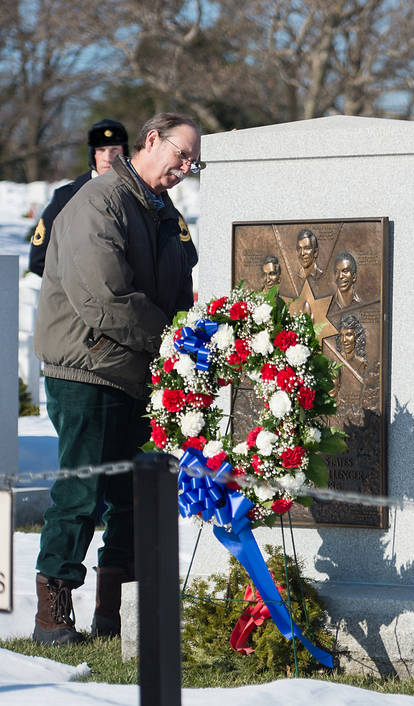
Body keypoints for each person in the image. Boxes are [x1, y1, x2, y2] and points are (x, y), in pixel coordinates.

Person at [32, 112, 202, 645]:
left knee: (135, 498)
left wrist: (190, 337)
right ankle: (52, 616)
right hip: (89, 368)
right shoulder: (99, 200)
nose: (187, 167)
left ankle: (115, 616)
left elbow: (181, 288)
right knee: (82, 492)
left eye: (194, 162)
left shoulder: (164, 212)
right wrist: (171, 340)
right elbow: (102, 299)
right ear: (152, 139)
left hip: (139, 371)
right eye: (182, 154)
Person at [28, 119, 130, 276]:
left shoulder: (140, 194)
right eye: (101, 150)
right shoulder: (66, 197)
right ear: (93, 154)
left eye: (114, 150)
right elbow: (39, 260)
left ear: (124, 153)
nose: (108, 157)